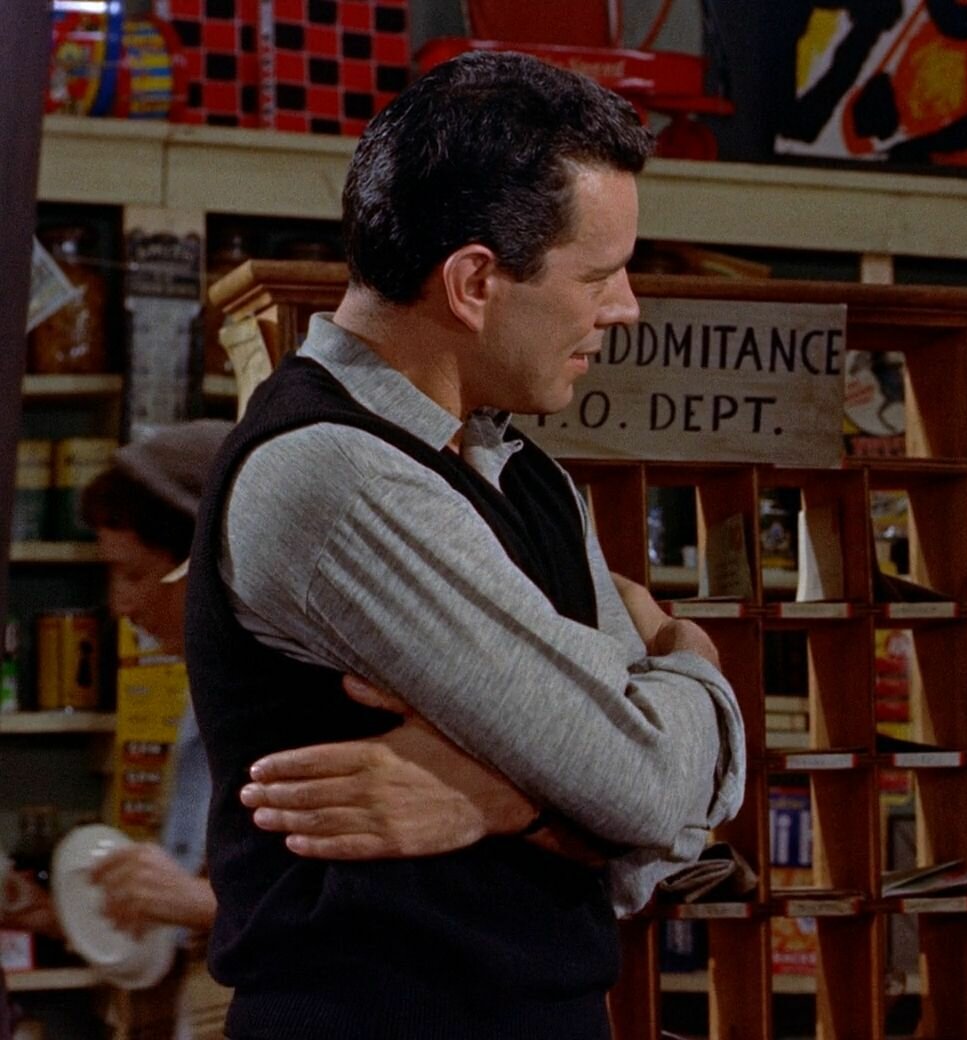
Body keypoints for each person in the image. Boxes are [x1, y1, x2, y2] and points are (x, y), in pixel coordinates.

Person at [184, 51, 744, 1039]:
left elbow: (664, 839)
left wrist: (498, 798)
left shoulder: (529, 476)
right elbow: (652, 787)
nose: (626, 308)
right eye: (599, 275)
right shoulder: (336, 476)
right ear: (475, 281)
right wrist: (690, 653)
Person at [1, 420, 232, 1039]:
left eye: (132, 575)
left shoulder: (296, 706)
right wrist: (62, 914)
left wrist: (194, 902)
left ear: (203, 567)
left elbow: (365, 916)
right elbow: (175, 935)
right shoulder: (202, 695)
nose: (120, 605)